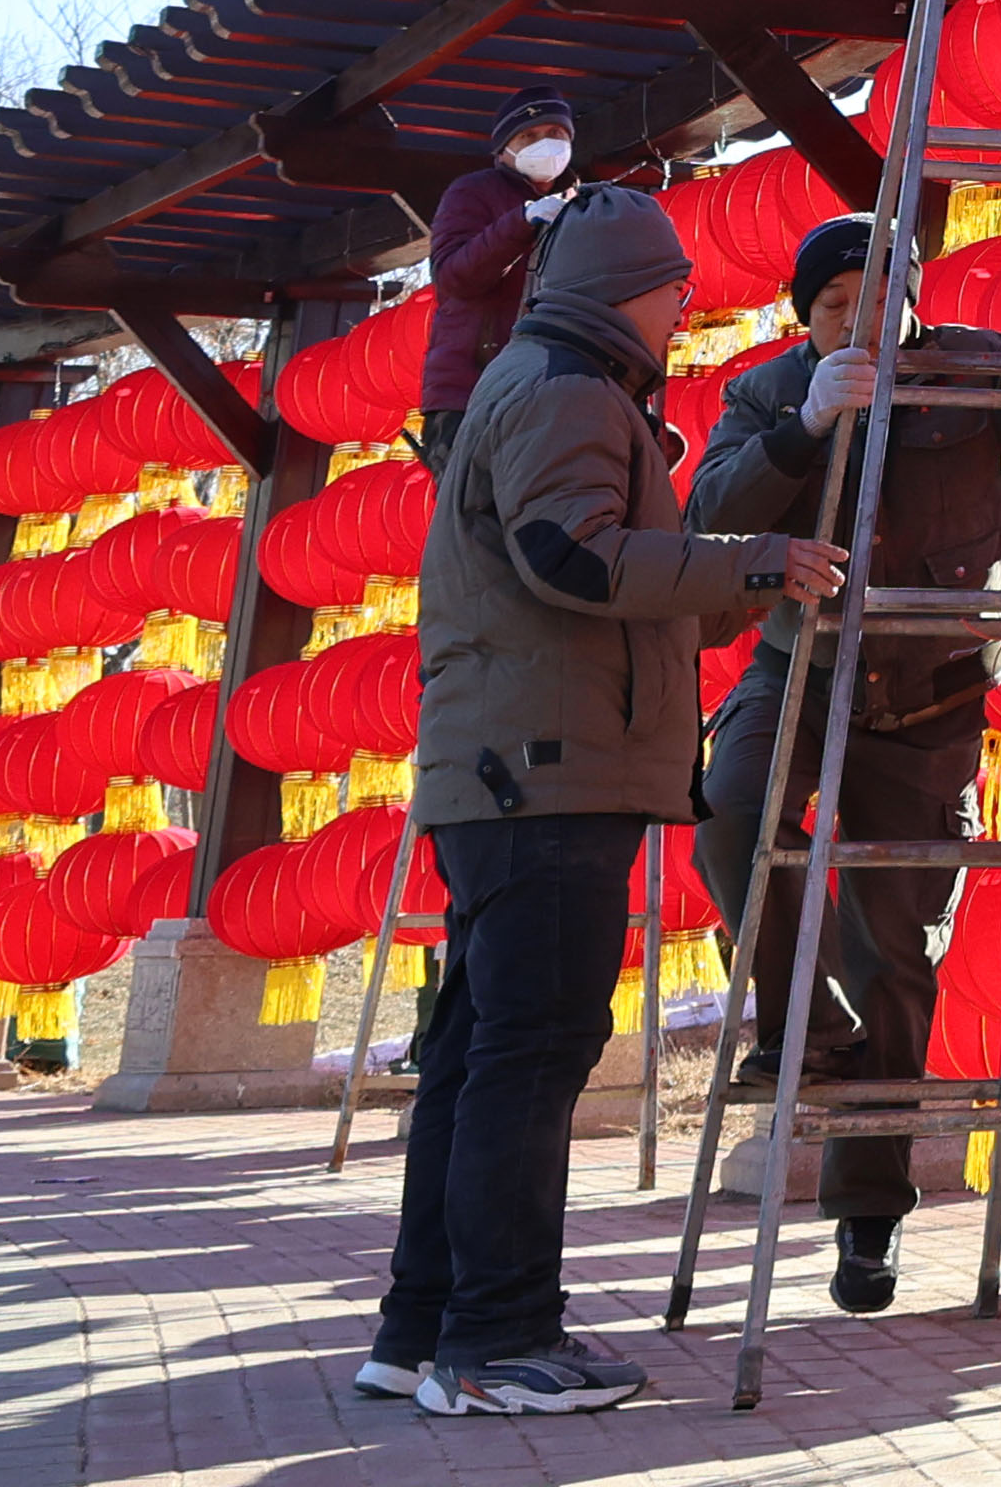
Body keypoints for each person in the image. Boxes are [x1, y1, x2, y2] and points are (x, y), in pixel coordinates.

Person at [372, 181, 836, 1416]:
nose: (686, 308)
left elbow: (605, 575)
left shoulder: (541, 380)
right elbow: (570, 555)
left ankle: (423, 1325)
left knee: (479, 1054)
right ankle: (498, 1338)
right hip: (546, 773)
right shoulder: (569, 391)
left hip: (512, 766)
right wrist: (756, 561)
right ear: (630, 286)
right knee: (528, 1058)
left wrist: (730, 584)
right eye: (678, 287)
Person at [686, 210, 1001, 1308]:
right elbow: (709, 513)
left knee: (899, 950)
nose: (859, 321)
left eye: (879, 298)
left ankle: (867, 1216)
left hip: (932, 692)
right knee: (730, 808)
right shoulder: (768, 390)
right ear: (806, 316)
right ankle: (808, 1024)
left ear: (911, 296)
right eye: (835, 306)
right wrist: (805, 427)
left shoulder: (971, 365)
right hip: (802, 663)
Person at [415, 87, 582, 457]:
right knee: (476, 493)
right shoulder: (472, 192)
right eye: (529, 136)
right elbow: (453, 278)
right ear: (504, 148)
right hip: (471, 391)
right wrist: (520, 223)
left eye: (555, 133)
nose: (545, 144)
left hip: (552, 389)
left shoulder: (582, 204)